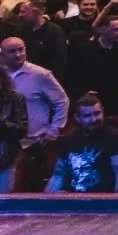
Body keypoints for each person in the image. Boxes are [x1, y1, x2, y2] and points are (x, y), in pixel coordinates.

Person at [0, 36, 68, 192]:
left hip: (33, 142)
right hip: (6, 142)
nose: (18, 54)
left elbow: (61, 101)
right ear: (2, 54)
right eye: (12, 51)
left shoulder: (41, 75)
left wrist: (54, 129)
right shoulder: (1, 75)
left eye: (21, 50)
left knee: (29, 188)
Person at [45, 93, 118, 193]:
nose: (93, 119)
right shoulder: (69, 140)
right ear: (77, 117)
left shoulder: (117, 139)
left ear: (103, 111)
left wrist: (115, 202)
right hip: (70, 198)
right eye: (87, 116)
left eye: (97, 113)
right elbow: (58, 174)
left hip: (101, 199)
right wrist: (48, 197)